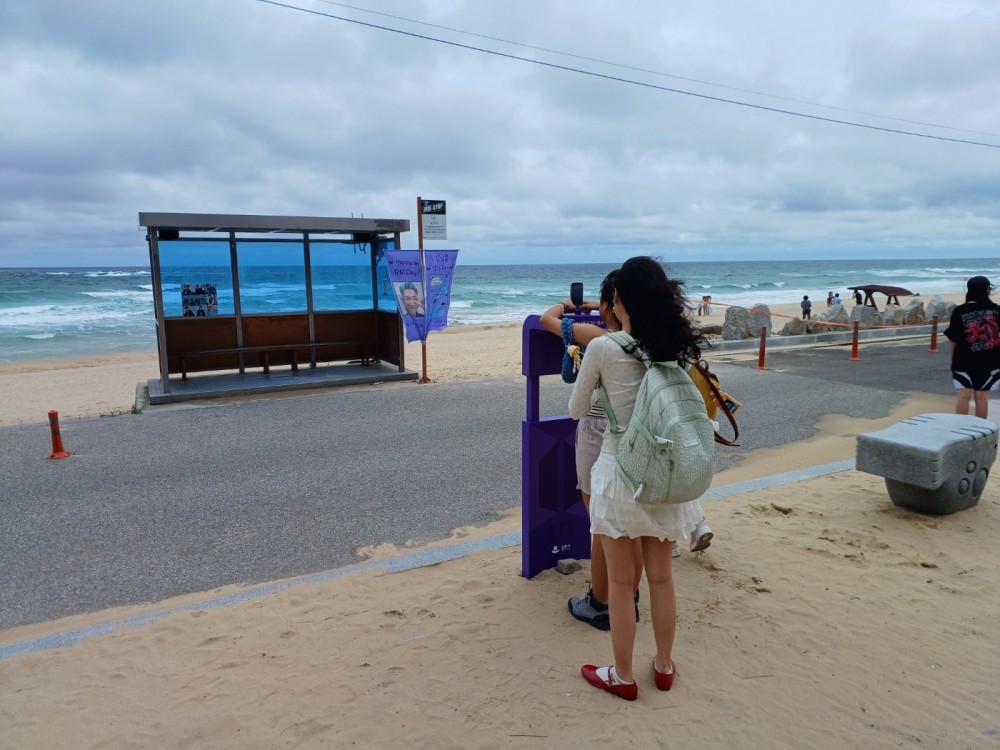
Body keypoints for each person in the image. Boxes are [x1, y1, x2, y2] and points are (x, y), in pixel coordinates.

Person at [569, 256, 708, 700]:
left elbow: (576, 408)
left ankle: (623, 675)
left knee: (622, 582)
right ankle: (664, 665)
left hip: (620, 473)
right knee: (661, 577)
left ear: (619, 299)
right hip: (662, 474)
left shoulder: (604, 348)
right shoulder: (669, 346)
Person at [944, 276, 1000, 420]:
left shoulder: (959, 311)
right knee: (982, 397)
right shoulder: (995, 309)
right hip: (990, 360)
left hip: (963, 359)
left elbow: (954, 338)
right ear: (986, 290)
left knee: (963, 396)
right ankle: (980, 430)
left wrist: (952, 360)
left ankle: (960, 429)